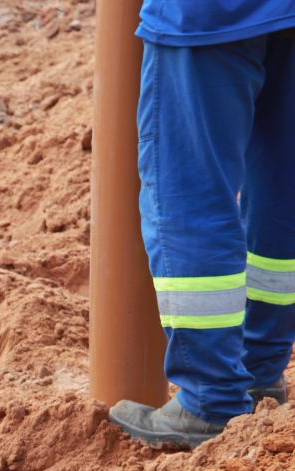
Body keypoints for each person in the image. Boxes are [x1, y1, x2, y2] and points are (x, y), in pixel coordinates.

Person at [109, 3, 295, 448]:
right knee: (282, 187)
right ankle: (259, 371)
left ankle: (211, 398)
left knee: (189, 196)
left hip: (210, 16)